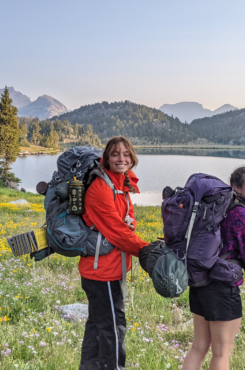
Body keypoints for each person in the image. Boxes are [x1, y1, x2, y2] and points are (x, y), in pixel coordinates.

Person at [183, 166, 245, 370]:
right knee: (222, 353)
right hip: (222, 288)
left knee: (198, 347)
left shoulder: (218, 209)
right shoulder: (242, 216)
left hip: (200, 282)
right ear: (237, 188)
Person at [79, 136, 149, 370]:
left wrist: (130, 225)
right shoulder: (100, 188)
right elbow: (118, 233)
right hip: (102, 271)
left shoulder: (119, 184)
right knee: (113, 326)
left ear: (132, 157)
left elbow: (126, 221)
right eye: (116, 154)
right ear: (106, 158)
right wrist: (146, 251)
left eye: (126, 154)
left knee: (97, 325)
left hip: (111, 267)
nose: (122, 158)